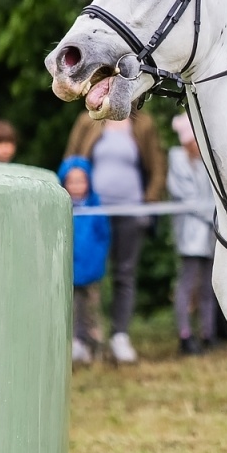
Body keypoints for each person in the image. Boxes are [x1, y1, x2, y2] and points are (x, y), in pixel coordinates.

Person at [65, 110, 167, 363]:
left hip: (130, 212)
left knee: (125, 274)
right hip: (92, 214)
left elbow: (158, 166)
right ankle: (82, 338)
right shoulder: (88, 120)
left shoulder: (144, 122)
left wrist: (149, 203)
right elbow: (72, 161)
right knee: (84, 275)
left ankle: (120, 336)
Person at [167, 114, 217, 355]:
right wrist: (212, 216)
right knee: (187, 285)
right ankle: (185, 335)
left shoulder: (205, 160)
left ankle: (208, 333)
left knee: (209, 284)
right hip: (191, 231)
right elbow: (188, 197)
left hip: (211, 233)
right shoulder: (177, 160)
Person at [59, 156, 112, 365]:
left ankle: (96, 348)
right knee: (71, 311)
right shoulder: (60, 209)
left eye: (81, 181)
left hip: (91, 272)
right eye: (71, 181)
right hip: (68, 273)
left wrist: (95, 265)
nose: (76, 186)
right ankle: (74, 346)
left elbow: (103, 237)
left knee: (91, 312)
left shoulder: (96, 208)